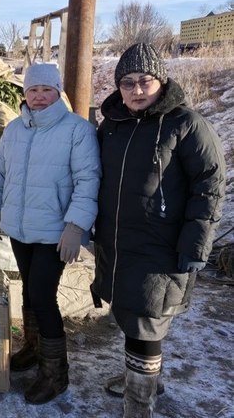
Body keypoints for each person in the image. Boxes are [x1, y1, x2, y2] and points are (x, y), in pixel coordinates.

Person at [91, 43, 226, 417]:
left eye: (144, 81)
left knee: (147, 322)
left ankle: (140, 403)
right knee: (129, 314)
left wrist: (196, 245)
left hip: (161, 245)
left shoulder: (187, 125)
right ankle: (145, 377)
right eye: (128, 82)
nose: (136, 90)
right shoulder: (113, 125)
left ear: (161, 82)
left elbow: (210, 187)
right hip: (118, 241)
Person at [0, 62, 100, 405]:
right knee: (29, 294)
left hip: (55, 233)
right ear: (25, 94)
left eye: (46, 90)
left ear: (58, 92)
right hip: (21, 228)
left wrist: (75, 227)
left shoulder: (77, 130)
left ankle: (56, 373)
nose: (38, 97)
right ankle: (33, 349)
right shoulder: (14, 130)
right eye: (32, 90)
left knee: (42, 295)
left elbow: (87, 181)